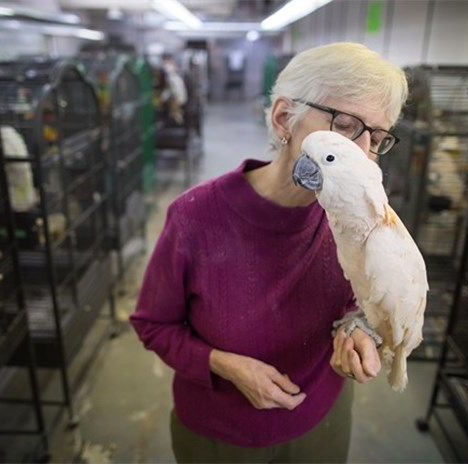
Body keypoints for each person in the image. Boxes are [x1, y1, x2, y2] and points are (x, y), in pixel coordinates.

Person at [130, 42, 408, 463]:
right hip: (221, 433)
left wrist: (359, 331)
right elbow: (154, 326)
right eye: (347, 125)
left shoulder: (360, 219)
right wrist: (224, 365)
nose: (363, 153)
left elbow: (361, 300)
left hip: (323, 421)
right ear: (284, 119)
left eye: (377, 138)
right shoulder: (195, 218)